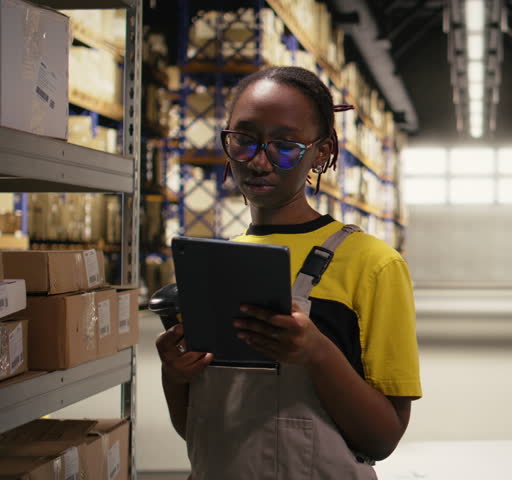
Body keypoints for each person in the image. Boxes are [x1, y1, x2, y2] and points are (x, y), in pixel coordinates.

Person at [155, 66, 422, 479]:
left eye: (285, 145)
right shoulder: (215, 267)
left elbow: (382, 438)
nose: (259, 161)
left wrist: (317, 352)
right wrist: (175, 375)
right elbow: (198, 429)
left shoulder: (373, 264)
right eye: (244, 140)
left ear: (322, 152)